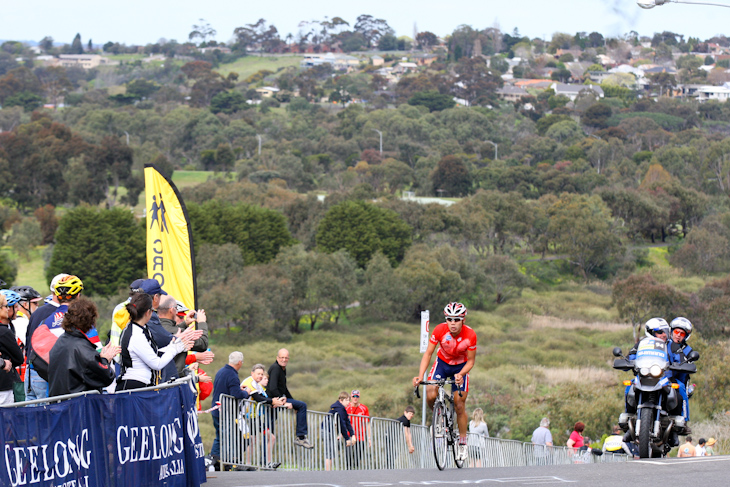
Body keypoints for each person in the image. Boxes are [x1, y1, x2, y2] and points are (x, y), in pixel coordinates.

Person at [412, 302, 477, 463]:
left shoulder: (470, 335)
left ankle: (462, 443)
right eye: (449, 319)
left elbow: (471, 361)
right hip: (442, 364)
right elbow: (428, 354)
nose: (452, 323)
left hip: (461, 368)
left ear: (463, 320)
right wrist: (420, 376)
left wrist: (461, 374)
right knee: (430, 392)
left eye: (456, 319)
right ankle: (439, 418)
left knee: (459, 404)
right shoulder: (440, 330)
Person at [116, 293, 197, 391]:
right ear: (148, 312)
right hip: (134, 387)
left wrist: (175, 345)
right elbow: (156, 364)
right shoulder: (136, 334)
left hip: (140, 386)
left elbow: (153, 353)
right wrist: (175, 349)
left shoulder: (141, 328)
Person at [25, 275, 86, 401]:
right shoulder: (76, 318)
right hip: (53, 374)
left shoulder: (40, 314)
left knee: (32, 416)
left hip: (32, 370)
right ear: (78, 295)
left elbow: (29, 341)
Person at [48, 297, 120, 396]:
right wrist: (105, 360)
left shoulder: (61, 341)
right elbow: (106, 376)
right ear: (89, 320)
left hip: (59, 404)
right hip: (79, 406)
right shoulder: (82, 347)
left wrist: (99, 358)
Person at [241, 364, 286, 469]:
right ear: (252, 373)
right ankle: (246, 464)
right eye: (258, 374)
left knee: (271, 437)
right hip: (244, 416)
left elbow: (265, 398)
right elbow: (258, 398)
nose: (260, 376)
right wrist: (273, 401)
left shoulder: (258, 385)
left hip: (254, 417)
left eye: (262, 374)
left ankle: (267, 463)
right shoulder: (250, 382)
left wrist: (277, 402)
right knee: (251, 440)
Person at [267, 348, 314, 449]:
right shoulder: (275, 368)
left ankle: (265, 461)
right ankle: (301, 437)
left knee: (270, 432)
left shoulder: (282, 369)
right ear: (277, 358)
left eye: (286, 358)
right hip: (273, 399)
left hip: (278, 398)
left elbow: (284, 388)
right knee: (302, 405)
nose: (284, 360)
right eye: (282, 357)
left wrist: (293, 402)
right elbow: (272, 388)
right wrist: (282, 401)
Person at [210, 351, 250, 469]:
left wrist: (238, 388)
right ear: (239, 362)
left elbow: (227, 388)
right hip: (226, 412)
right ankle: (228, 463)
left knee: (219, 436)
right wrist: (246, 393)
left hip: (216, 410)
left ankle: (214, 460)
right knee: (228, 437)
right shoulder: (232, 375)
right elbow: (236, 394)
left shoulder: (221, 371)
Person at [157, 295, 210, 376]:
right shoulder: (177, 332)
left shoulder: (153, 327)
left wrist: (185, 324)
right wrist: (202, 322)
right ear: (171, 310)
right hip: (173, 380)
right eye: (180, 316)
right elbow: (203, 344)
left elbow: (169, 330)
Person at [0, 292, 24, 405]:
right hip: (4, 384)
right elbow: (19, 358)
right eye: (6, 306)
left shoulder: (9, 328)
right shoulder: (4, 332)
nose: (7, 309)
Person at [323, 391, 355, 471]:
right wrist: (347, 438)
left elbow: (347, 421)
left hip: (331, 431)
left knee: (332, 452)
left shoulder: (342, 409)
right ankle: (328, 472)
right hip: (327, 430)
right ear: (341, 400)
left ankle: (329, 471)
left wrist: (352, 434)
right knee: (329, 452)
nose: (348, 402)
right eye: (347, 400)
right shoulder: (339, 409)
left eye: (349, 400)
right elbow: (342, 423)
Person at [345, 389, 371, 469]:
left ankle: (355, 471)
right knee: (348, 456)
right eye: (353, 396)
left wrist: (369, 438)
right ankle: (348, 471)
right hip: (349, 435)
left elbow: (367, 423)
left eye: (357, 396)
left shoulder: (364, 408)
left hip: (360, 436)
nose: (355, 398)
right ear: (351, 397)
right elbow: (342, 422)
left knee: (358, 456)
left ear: (359, 397)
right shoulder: (346, 407)